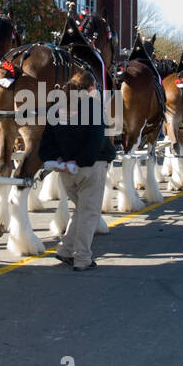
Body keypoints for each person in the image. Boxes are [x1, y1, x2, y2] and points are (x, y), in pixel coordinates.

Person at [39, 69, 116, 271]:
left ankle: (65, 250)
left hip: (65, 171)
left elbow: (47, 141)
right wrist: (79, 161)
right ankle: (83, 258)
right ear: (91, 88)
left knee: (80, 210)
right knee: (90, 213)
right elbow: (97, 140)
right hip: (90, 167)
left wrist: (56, 160)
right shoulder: (94, 106)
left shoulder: (57, 108)